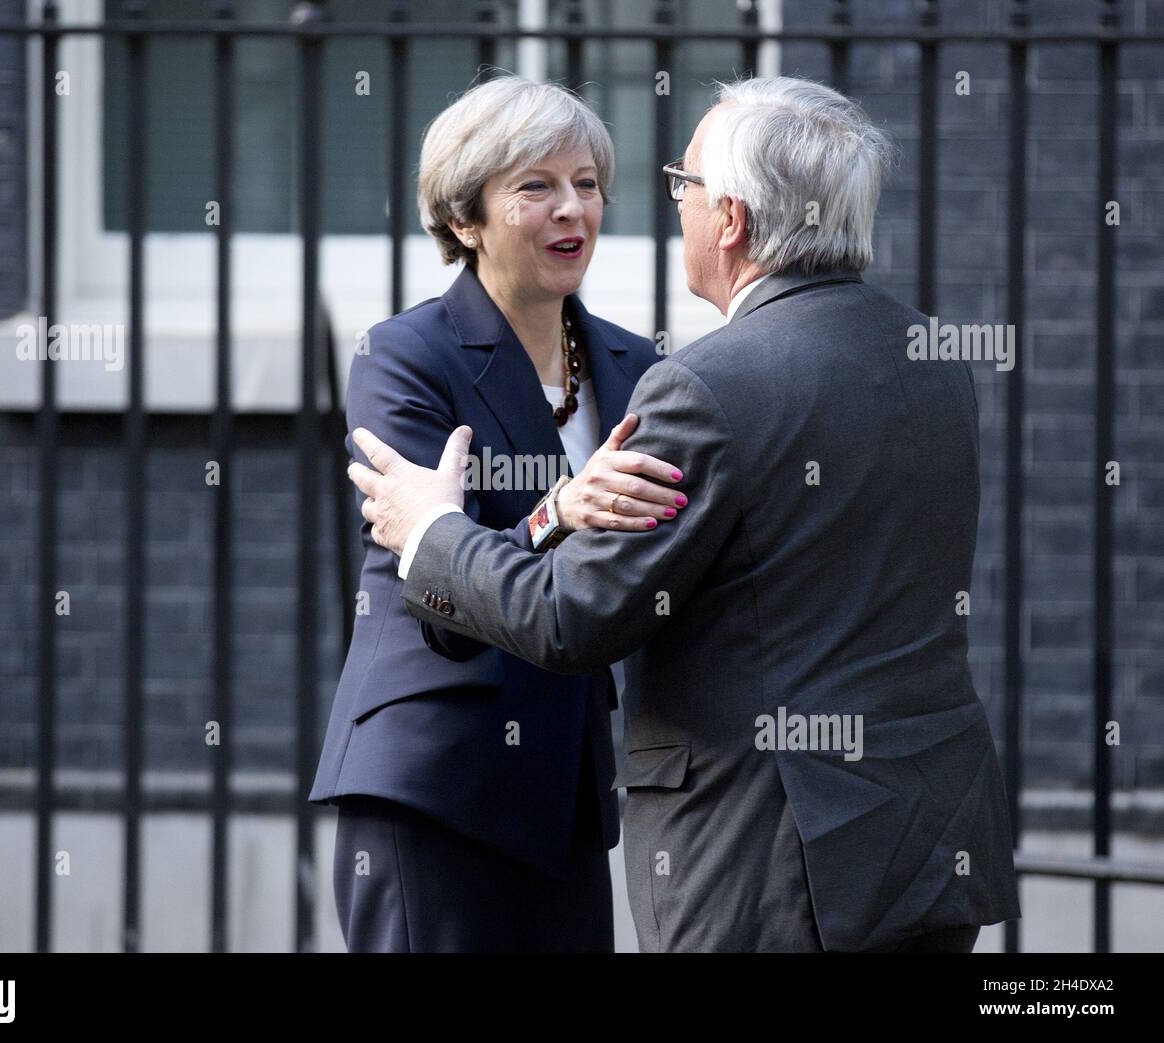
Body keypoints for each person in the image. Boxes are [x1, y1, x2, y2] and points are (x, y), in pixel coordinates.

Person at [348, 76, 1022, 952]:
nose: (666, 206)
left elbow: (573, 614)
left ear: (732, 220)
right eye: (537, 185)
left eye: (684, 184)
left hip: (772, 859)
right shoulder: (936, 364)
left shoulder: (705, 384)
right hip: (927, 843)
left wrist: (433, 532)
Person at [309, 75, 688, 952]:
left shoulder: (634, 365)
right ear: (464, 219)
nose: (572, 210)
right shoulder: (406, 358)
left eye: (587, 183)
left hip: (567, 793)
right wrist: (558, 511)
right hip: (435, 781)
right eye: (536, 187)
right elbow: (436, 585)